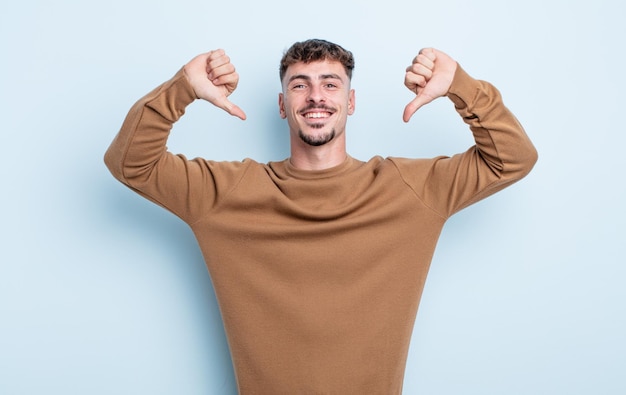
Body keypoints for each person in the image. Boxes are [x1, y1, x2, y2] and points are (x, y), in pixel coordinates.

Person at [105, 39, 537, 394]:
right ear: (281, 104)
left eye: (330, 84)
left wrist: (461, 86)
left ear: (350, 103)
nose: (315, 96)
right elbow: (130, 164)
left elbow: (512, 159)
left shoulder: (408, 189)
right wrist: (182, 87)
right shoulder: (226, 195)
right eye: (300, 85)